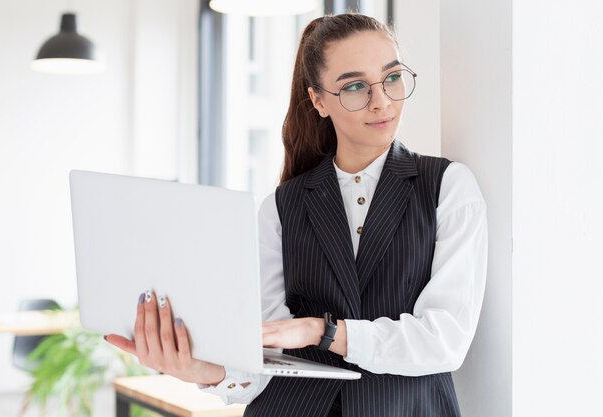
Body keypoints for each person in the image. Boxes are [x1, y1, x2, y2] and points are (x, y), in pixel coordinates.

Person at [106, 13, 488, 417]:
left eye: (391, 77)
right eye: (355, 87)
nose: (382, 101)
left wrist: (322, 331)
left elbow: (446, 340)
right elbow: (266, 359)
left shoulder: (446, 187)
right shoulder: (280, 207)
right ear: (318, 100)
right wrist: (200, 370)